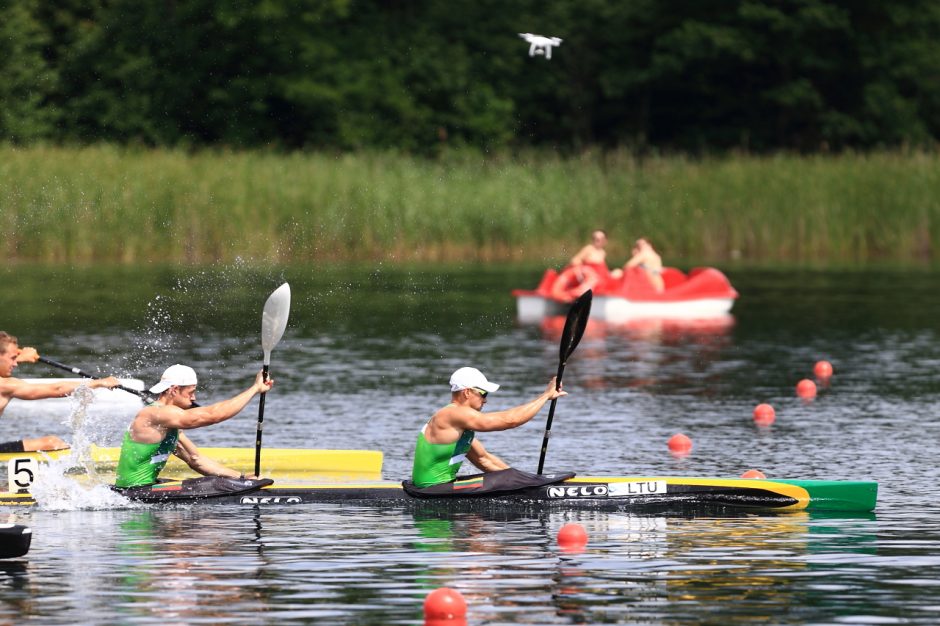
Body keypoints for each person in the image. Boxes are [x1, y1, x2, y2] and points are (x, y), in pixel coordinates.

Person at [114, 364, 273, 488]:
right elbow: (213, 416)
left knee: (211, 483)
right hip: (135, 492)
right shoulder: (155, 414)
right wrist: (255, 389)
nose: (194, 397)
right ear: (175, 390)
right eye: (191, 392)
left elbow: (195, 459)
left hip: (144, 487)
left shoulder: (167, 423)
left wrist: (242, 478)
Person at [411, 366, 566, 488]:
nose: (485, 400)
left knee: (509, 476)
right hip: (432, 490)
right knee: (509, 478)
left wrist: (526, 482)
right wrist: (545, 396)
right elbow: (511, 420)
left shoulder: (458, 426)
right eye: (483, 394)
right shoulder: (453, 414)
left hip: (441, 488)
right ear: (467, 392)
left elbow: (484, 460)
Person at [0, 331, 120, 453]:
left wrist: (19, 357)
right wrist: (99, 383)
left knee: (50, 442)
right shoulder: (6, 385)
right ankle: (79, 468)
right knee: (53, 444)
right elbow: (56, 389)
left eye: (16, 358)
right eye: (12, 358)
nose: (15, 364)